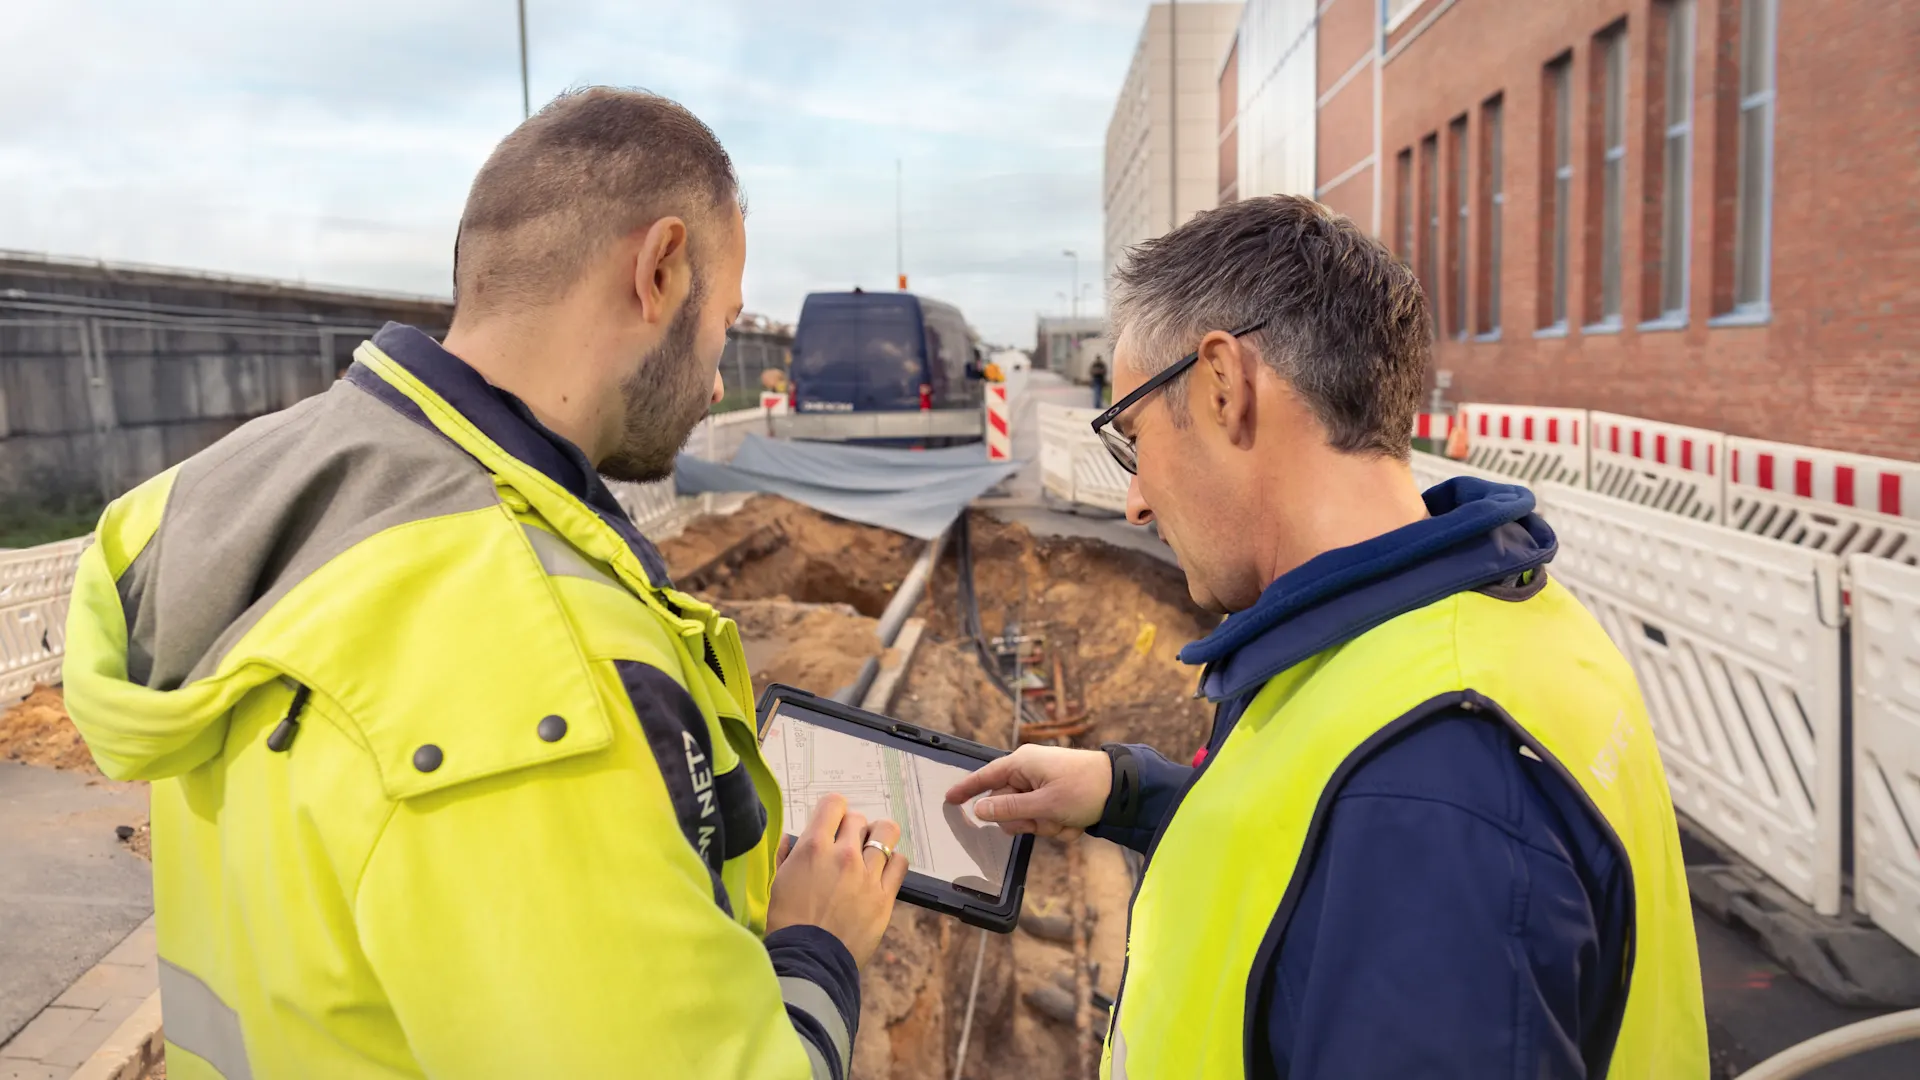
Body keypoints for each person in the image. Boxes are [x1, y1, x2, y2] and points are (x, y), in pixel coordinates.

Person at [63, 89, 906, 1080]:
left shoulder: (216, 505)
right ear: (660, 270)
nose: (719, 381)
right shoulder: (550, 665)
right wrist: (816, 949)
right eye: (721, 324)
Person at [948, 194, 1707, 1078]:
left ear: (1224, 387)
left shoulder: (1427, 799)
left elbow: (1385, 835)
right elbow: (1303, 842)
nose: (1137, 501)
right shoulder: (1477, 630)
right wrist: (1129, 792)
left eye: (1133, 440)